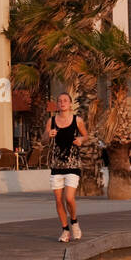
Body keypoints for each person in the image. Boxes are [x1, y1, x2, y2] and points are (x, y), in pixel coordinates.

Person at [47, 92, 87, 242]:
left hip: (73, 164)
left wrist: (81, 139)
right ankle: (65, 230)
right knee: (58, 200)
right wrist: (48, 135)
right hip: (56, 165)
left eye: (65, 100)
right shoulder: (51, 121)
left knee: (69, 198)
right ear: (57, 105)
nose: (62, 102)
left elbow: (86, 136)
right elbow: (44, 139)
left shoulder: (77, 120)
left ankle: (74, 222)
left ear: (70, 104)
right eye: (59, 100)